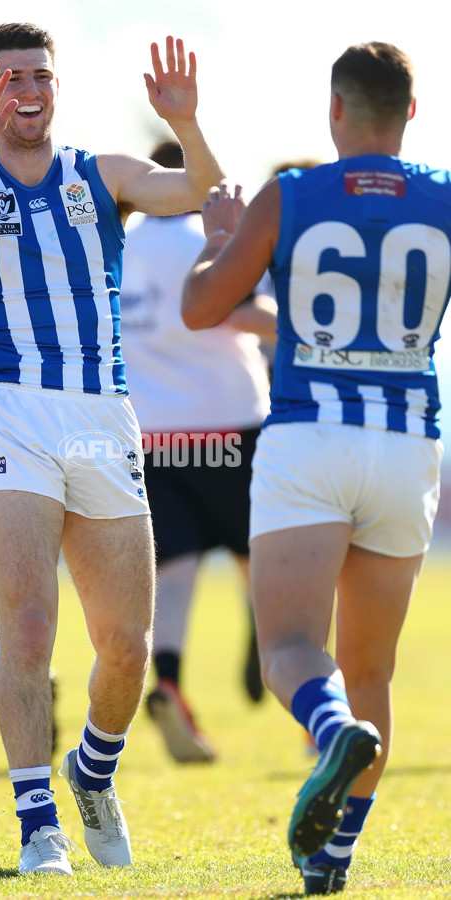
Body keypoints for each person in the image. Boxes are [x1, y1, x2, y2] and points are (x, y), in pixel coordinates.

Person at [0, 23, 224, 877]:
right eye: (10, 78)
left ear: (56, 84)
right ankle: (38, 821)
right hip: (9, 413)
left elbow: (202, 194)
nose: (28, 91)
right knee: (29, 628)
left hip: (102, 417)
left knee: (126, 647)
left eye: (40, 75)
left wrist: (185, 122)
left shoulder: (100, 173)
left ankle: (93, 772)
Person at [182, 42, 449, 895]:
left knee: (294, 649)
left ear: (334, 111)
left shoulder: (291, 195)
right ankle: (331, 861)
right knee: (374, 670)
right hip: (407, 444)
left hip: (310, 438)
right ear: (412, 111)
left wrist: (219, 237)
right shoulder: (443, 198)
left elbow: (202, 309)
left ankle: (329, 730)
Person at [120, 139, 276, 763]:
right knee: (260, 554)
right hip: (230, 422)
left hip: (154, 432)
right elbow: (238, 313)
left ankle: (169, 686)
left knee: (174, 570)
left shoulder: (122, 248)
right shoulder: (212, 238)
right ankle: (269, 640)